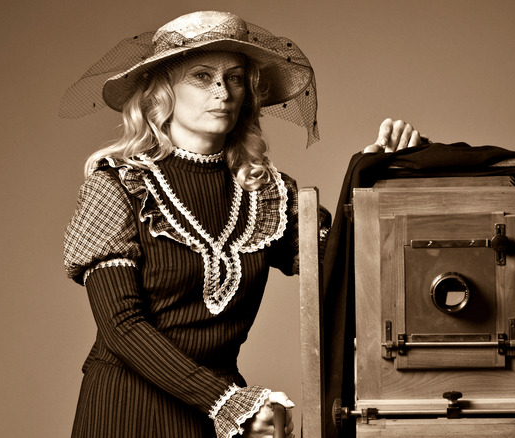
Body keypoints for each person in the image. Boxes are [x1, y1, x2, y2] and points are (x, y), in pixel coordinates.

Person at [60, 10, 421, 438]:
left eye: (234, 77)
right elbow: (121, 327)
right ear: (162, 94)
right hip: (128, 409)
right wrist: (227, 402)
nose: (222, 90)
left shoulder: (268, 192)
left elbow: (344, 271)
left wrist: (375, 180)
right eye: (201, 76)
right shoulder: (116, 185)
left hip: (223, 414)